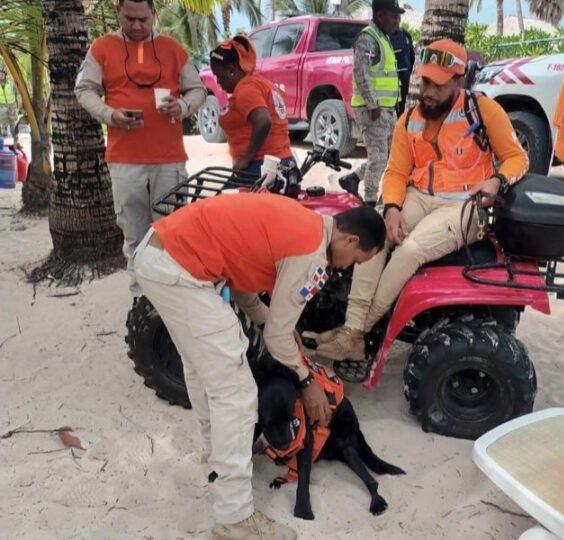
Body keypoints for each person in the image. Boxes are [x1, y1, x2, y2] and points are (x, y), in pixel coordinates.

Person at [133, 194, 385, 540]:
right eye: (356, 259)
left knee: (200, 367)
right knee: (236, 391)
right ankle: (233, 517)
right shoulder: (313, 254)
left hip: (159, 252)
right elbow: (278, 341)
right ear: (349, 240)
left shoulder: (304, 223)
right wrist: (306, 381)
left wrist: (272, 322)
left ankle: (215, 451)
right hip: (181, 270)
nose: (346, 268)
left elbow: (243, 283)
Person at [316, 39, 529, 363]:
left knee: (411, 250)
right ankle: (353, 326)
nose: (428, 91)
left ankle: (356, 332)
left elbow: (517, 158)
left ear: (459, 82)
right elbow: (396, 171)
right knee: (373, 233)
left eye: (438, 84)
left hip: (465, 206)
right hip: (418, 196)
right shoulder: (409, 119)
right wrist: (391, 208)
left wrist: (497, 181)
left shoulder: (483, 109)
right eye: (425, 81)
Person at [75, 0, 206, 297]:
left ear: (153, 15)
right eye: (129, 19)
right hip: (125, 161)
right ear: (118, 12)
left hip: (168, 160)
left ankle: (169, 296)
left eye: (142, 20)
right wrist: (110, 115)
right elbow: (84, 89)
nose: (136, 26)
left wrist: (182, 106)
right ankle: (141, 299)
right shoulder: (102, 47)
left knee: (170, 235)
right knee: (134, 236)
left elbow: (199, 89)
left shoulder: (173, 48)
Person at [341, 0, 404, 206]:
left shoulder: (383, 38)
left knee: (386, 157)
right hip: (374, 110)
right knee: (378, 159)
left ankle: (354, 178)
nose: (397, 21)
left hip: (385, 109)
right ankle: (369, 204)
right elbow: (361, 72)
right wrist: (373, 105)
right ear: (380, 16)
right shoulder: (368, 38)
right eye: (393, 16)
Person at [210, 36, 295, 176]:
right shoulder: (261, 83)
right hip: (283, 161)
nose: (218, 82)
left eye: (218, 75)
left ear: (232, 70)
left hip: (260, 166)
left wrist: (245, 159)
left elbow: (263, 122)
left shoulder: (246, 88)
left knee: (225, 198)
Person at [390, 27, 415, 116]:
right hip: (405, 72)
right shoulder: (406, 34)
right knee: (403, 102)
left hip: (394, 74)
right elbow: (412, 55)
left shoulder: (385, 35)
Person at [0, 68, 19, 138]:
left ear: (5, 75)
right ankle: (3, 138)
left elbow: (17, 93)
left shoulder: (11, 84)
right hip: (2, 107)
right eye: (0, 75)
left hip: (12, 106)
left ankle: (15, 138)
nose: (1, 76)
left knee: (13, 123)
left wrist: (18, 103)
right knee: (2, 123)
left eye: (2, 74)